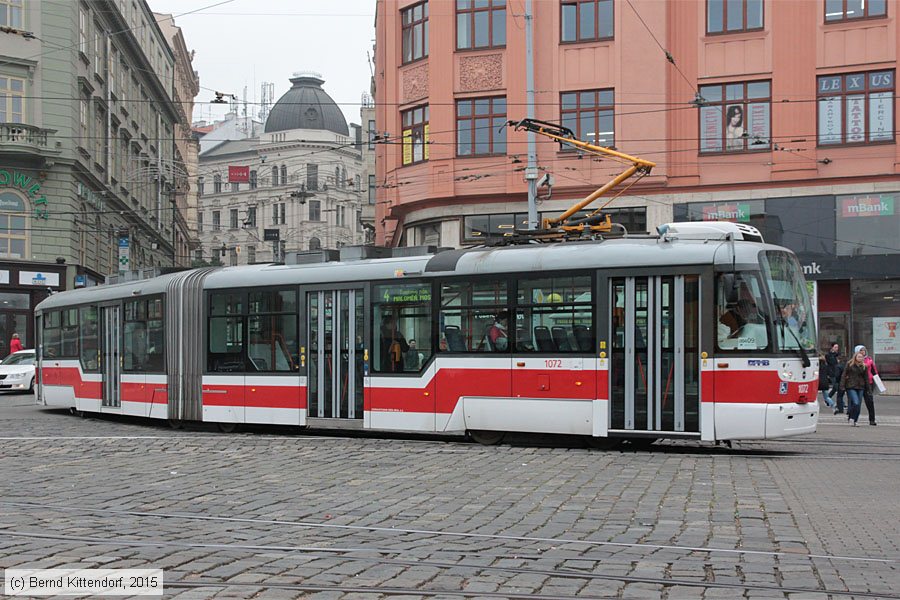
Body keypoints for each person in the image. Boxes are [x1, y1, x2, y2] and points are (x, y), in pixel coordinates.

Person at [841, 350, 868, 426]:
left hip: (860, 386)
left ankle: (855, 420)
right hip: (851, 386)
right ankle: (851, 417)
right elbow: (844, 374)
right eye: (859, 357)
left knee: (858, 404)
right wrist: (842, 385)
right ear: (855, 357)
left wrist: (868, 389)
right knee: (855, 402)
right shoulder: (850, 364)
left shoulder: (864, 366)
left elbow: (866, 378)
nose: (860, 358)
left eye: (861, 357)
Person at [854, 344, 879, 426]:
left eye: (864, 350)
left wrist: (877, 380)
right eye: (861, 350)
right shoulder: (855, 361)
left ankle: (872, 419)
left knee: (870, 401)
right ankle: (853, 418)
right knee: (857, 402)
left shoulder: (869, 360)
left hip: (869, 383)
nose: (863, 352)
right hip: (858, 383)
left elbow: (874, 371)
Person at [826, 343, 845, 414]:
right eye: (835, 347)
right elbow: (832, 362)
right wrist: (835, 357)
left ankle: (827, 398)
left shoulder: (838, 354)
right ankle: (841, 403)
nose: (837, 348)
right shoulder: (828, 355)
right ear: (832, 348)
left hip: (838, 373)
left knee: (835, 388)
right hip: (832, 373)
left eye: (837, 347)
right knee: (837, 388)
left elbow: (840, 361)